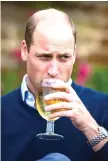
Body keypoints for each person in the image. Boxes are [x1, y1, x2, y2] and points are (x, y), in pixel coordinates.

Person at [1, 8, 108, 161]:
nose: (53, 70)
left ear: (74, 54)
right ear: (25, 50)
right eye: (45, 57)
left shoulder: (103, 107)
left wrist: (91, 129)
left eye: (64, 57)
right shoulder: (3, 112)